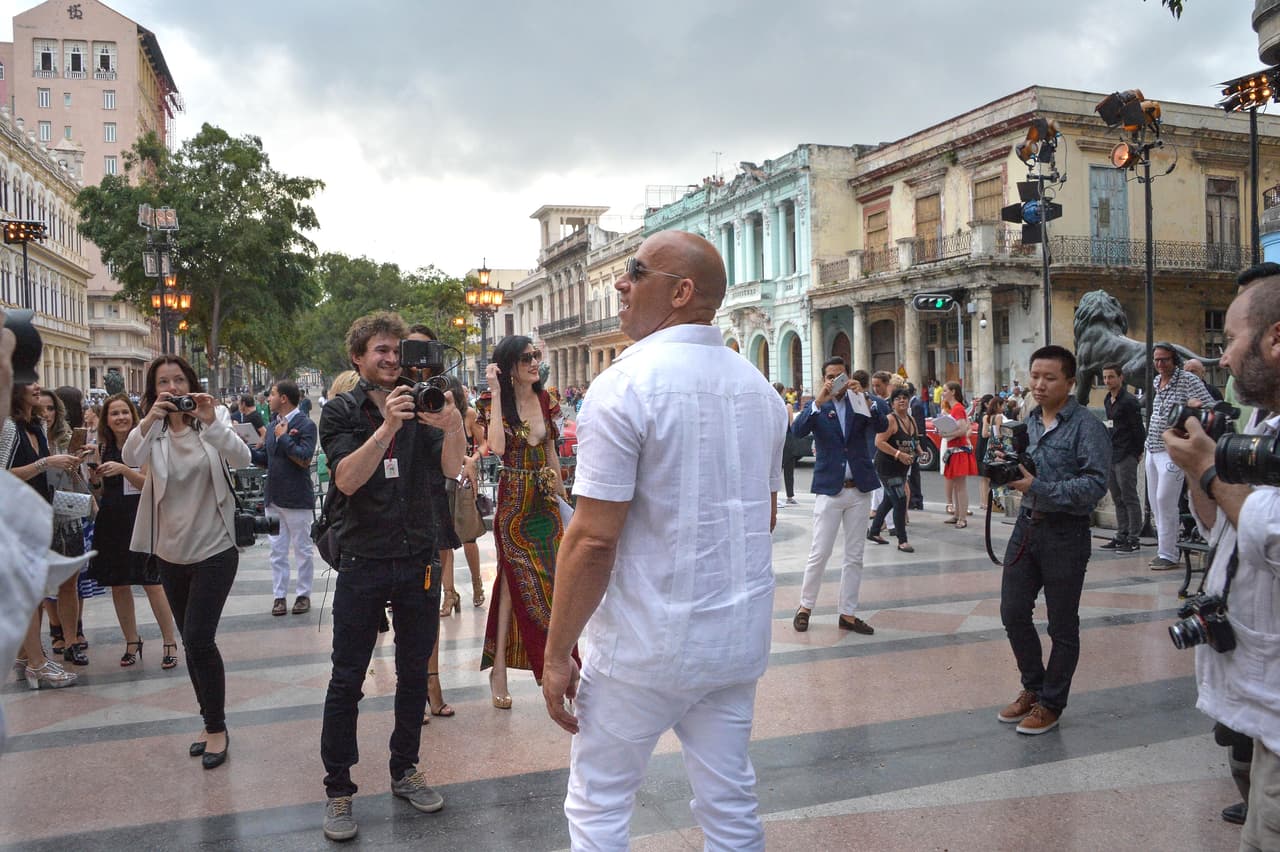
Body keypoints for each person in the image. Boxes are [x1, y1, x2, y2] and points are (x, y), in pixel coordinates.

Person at [542, 230, 786, 851]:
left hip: (641, 648)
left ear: (680, 292)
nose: (621, 283)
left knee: (599, 802)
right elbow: (766, 518)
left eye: (636, 272)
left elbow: (593, 540)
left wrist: (556, 652)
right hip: (732, 642)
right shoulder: (760, 391)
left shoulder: (625, 386)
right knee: (730, 802)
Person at [317, 311, 464, 841]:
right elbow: (347, 479)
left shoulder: (426, 403)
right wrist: (387, 426)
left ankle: (405, 769)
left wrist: (452, 425)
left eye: (397, 349)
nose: (391, 358)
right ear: (358, 358)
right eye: (380, 349)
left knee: (413, 674)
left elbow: (452, 468)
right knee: (346, 679)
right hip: (362, 560)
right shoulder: (339, 412)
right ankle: (339, 789)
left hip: (418, 558)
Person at [1163, 263, 1280, 850]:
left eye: (1231, 339)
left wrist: (1208, 469)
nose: (1224, 359)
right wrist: (1199, 474)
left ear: (1275, 337)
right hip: (1265, 714)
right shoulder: (1262, 425)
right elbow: (1223, 527)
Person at [123, 355, 250, 769]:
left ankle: (217, 727)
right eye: (164, 381)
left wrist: (211, 420)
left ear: (191, 383)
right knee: (192, 641)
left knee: (197, 637)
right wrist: (149, 419)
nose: (173, 387)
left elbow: (243, 458)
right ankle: (208, 719)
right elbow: (129, 453)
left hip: (216, 546)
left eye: (179, 379)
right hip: (169, 550)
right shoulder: (154, 431)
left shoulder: (213, 420)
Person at [996, 345, 1110, 735]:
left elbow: (1095, 485)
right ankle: (1034, 685)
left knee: (1062, 625)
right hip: (1026, 527)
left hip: (1066, 532)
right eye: (1035, 376)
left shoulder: (1086, 426)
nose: (1039, 385)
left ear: (1070, 382)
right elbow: (1027, 469)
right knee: (1012, 611)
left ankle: (1052, 702)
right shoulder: (1028, 421)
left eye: (1049, 378)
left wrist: (1039, 486)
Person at [482, 335, 569, 709]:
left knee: (557, 580)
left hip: (546, 502)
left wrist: (564, 499)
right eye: (525, 359)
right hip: (514, 503)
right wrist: (496, 392)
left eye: (535, 356)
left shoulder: (547, 400)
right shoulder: (496, 403)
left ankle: (564, 663)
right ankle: (499, 668)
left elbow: (550, 448)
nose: (535, 363)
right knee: (512, 583)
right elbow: (498, 448)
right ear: (509, 368)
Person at [790, 356, 885, 635]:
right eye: (831, 377)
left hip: (859, 489)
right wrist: (817, 402)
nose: (837, 381)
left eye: (841, 375)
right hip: (830, 490)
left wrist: (865, 398)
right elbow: (797, 431)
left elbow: (881, 425)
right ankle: (805, 607)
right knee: (820, 552)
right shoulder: (819, 406)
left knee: (854, 556)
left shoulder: (860, 402)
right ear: (824, 380)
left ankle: (848, 613)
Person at [85, 393, 181, 669]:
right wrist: (95, 479)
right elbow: (101, 491)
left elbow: (149, 483)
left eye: (124, 412)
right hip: (112, 519)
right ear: (107, 419)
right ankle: (131, 640)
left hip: (142, 517)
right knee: (119, 584)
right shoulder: (101, 447)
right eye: (114, 413)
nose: (120, 418)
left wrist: (124, 470)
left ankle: (169, 641)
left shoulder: (144, 442)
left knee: (152, 583)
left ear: (133, 415)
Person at [4, 380, 81, 689]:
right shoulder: (9, 427)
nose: (38, 387)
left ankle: (25, 658)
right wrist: (45, 462)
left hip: (36, 518)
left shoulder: (36, 426)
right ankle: (38, 663)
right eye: (29, 382)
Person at [1145, 343, 1214, 570]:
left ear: (1174, 360)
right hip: (1152, 447)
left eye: (1164, 359)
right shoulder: (1156, 382)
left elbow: (1210, 405)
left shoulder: (1187, 379)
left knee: (1166, 499)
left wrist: (1194, 407)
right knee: (1156, 501)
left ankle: (1169, 553)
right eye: (1156, 360)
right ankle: (1164, 549)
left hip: (1172, 449)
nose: (1160, 364)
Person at [262, 380, 317, 617]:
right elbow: (268, 459)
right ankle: (279, 596)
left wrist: (284, 438)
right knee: (277, 550)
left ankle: (303, 593)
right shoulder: (273, 424)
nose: (269, 398)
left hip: (296, 498)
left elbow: (304, 458)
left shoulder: (305, 425)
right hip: (273, 497)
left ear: (283, 398)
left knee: (302, 548)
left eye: (272, 394)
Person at [1101, 363, 1145, 553]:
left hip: (1126, 453)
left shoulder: (1129, 401)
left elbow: (1138, 429)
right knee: (1117, 496)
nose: (1107, 381)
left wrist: (1137, 452)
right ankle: (1122, 534)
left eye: (1111, 377)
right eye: (1104, 377)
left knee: (1129, 496)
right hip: (1112, 452)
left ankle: (1134, 537)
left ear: (1121, 378)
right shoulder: (1107, 399)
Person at [867, 387, 918, 552]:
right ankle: (902, 540)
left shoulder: (911, 420)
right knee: (900, 501)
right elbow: (879, 442)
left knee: (889, 500)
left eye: (904, 397)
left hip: (903, 468)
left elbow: (914, 441)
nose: (902, 400)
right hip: (887, 467)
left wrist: (921, 452)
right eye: (898, 399)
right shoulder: (890, 419)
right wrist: (898, 454)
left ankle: (874, 531)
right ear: (892, 403)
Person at [941, 382, 976, 527]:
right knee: (956, 485)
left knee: (960, 485)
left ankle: (962, 518)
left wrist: (946, 433)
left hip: (959, 450)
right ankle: (957, 515)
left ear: (953, 392)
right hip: (955, 450)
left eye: (945, 390)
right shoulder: (955, 409)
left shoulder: (958, 408)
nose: (942, 393)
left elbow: (962, 430)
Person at [775, 381, 801, 505]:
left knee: (775, 470)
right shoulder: (787, 406)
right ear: (783, 391)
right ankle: (789, 497)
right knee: (789, 470)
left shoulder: (772, 405)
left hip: (776, 440)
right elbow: (791, 424)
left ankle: (773, 496)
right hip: (788, 440)